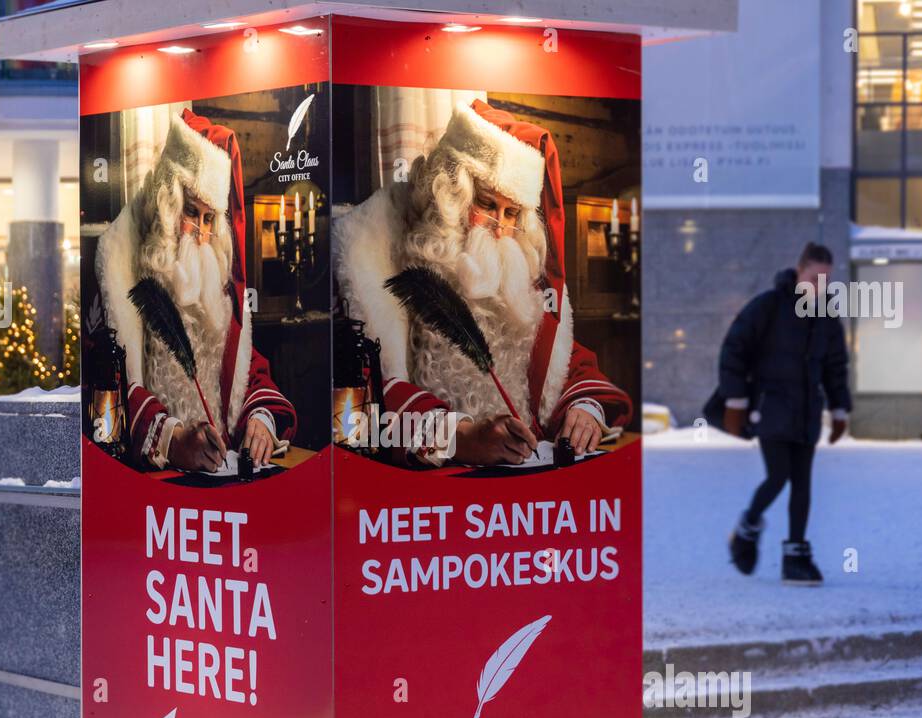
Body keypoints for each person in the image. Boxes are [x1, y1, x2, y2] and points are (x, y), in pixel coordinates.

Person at [334, 99, 631, 466]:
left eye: (511, 213)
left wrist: (583, 410)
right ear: (452, 200)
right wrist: (459, 437)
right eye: (487, 205)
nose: (500, 227)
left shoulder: (519, 272)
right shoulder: (399, 262)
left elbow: (565, 365)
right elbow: (370, 390)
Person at [92, 109, 295, 472]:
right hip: (160, 484)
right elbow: (108, 386)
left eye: (208, 219)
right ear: (168, 208)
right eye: (190, 213)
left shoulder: (215, 288)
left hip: (227, 472)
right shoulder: (129, 273)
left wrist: (261, 421)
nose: (202, 234)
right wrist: (173, 439)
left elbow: (247, 373)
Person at [721, 242, 851, 585]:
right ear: (799, 271)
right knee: (778, 476)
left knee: (803, 483)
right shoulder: (769, 306)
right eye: (814, 278)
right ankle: (746, 529)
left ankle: (795, 555)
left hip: (807, 412)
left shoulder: (825, 316)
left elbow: (835, 367)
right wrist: (736, 401)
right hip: (772, 409)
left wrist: (839, 409)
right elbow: (735, 348)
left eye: (825, 280)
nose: (819, 286)